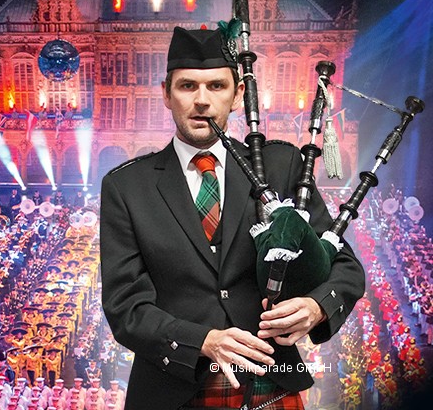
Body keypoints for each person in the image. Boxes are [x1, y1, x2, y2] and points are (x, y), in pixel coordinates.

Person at [99, 26, 365, 409]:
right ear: (166, 94)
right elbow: (124, 306)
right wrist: (203, 341)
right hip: (170, 391)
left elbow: (344, 266)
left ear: (238, 94)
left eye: (216, 86)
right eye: (187, 86)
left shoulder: (280, 166)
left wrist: (317, 306)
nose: (202, 100)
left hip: (270, 383)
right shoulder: (126, 186)